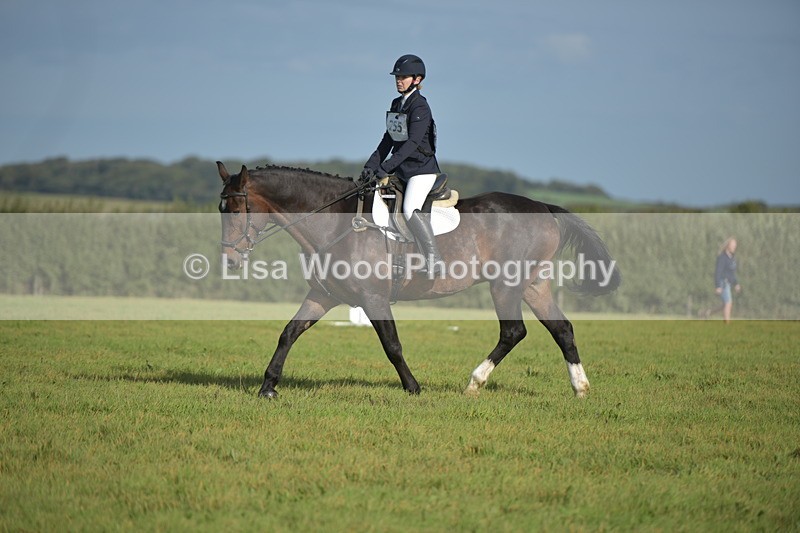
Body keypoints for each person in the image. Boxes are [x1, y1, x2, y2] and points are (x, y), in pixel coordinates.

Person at [360, 54, 443, 275]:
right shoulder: (397, 104)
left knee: (409, 208)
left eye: (403, 77)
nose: (399, 80)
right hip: (402, 170)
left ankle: (434, 260)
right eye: (397, 77)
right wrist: (371, 165)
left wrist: (386, 167)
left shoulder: (420, 107)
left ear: (417, 79)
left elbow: (412, 144)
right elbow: (388, 139)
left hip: (421, 170)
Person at [703, 237, 741, 323]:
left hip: (728, 283)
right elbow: (718, 272)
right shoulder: (722, 258)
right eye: (733, 245)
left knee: (725, 305)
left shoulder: (732, 258)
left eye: (735, 245)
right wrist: (718, 286)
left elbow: (732, 274)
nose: (734, 247)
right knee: (728, 303)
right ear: (728, 245)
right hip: (723, 283)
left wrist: (736, 284)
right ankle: (726, 324)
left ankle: (708, 312)